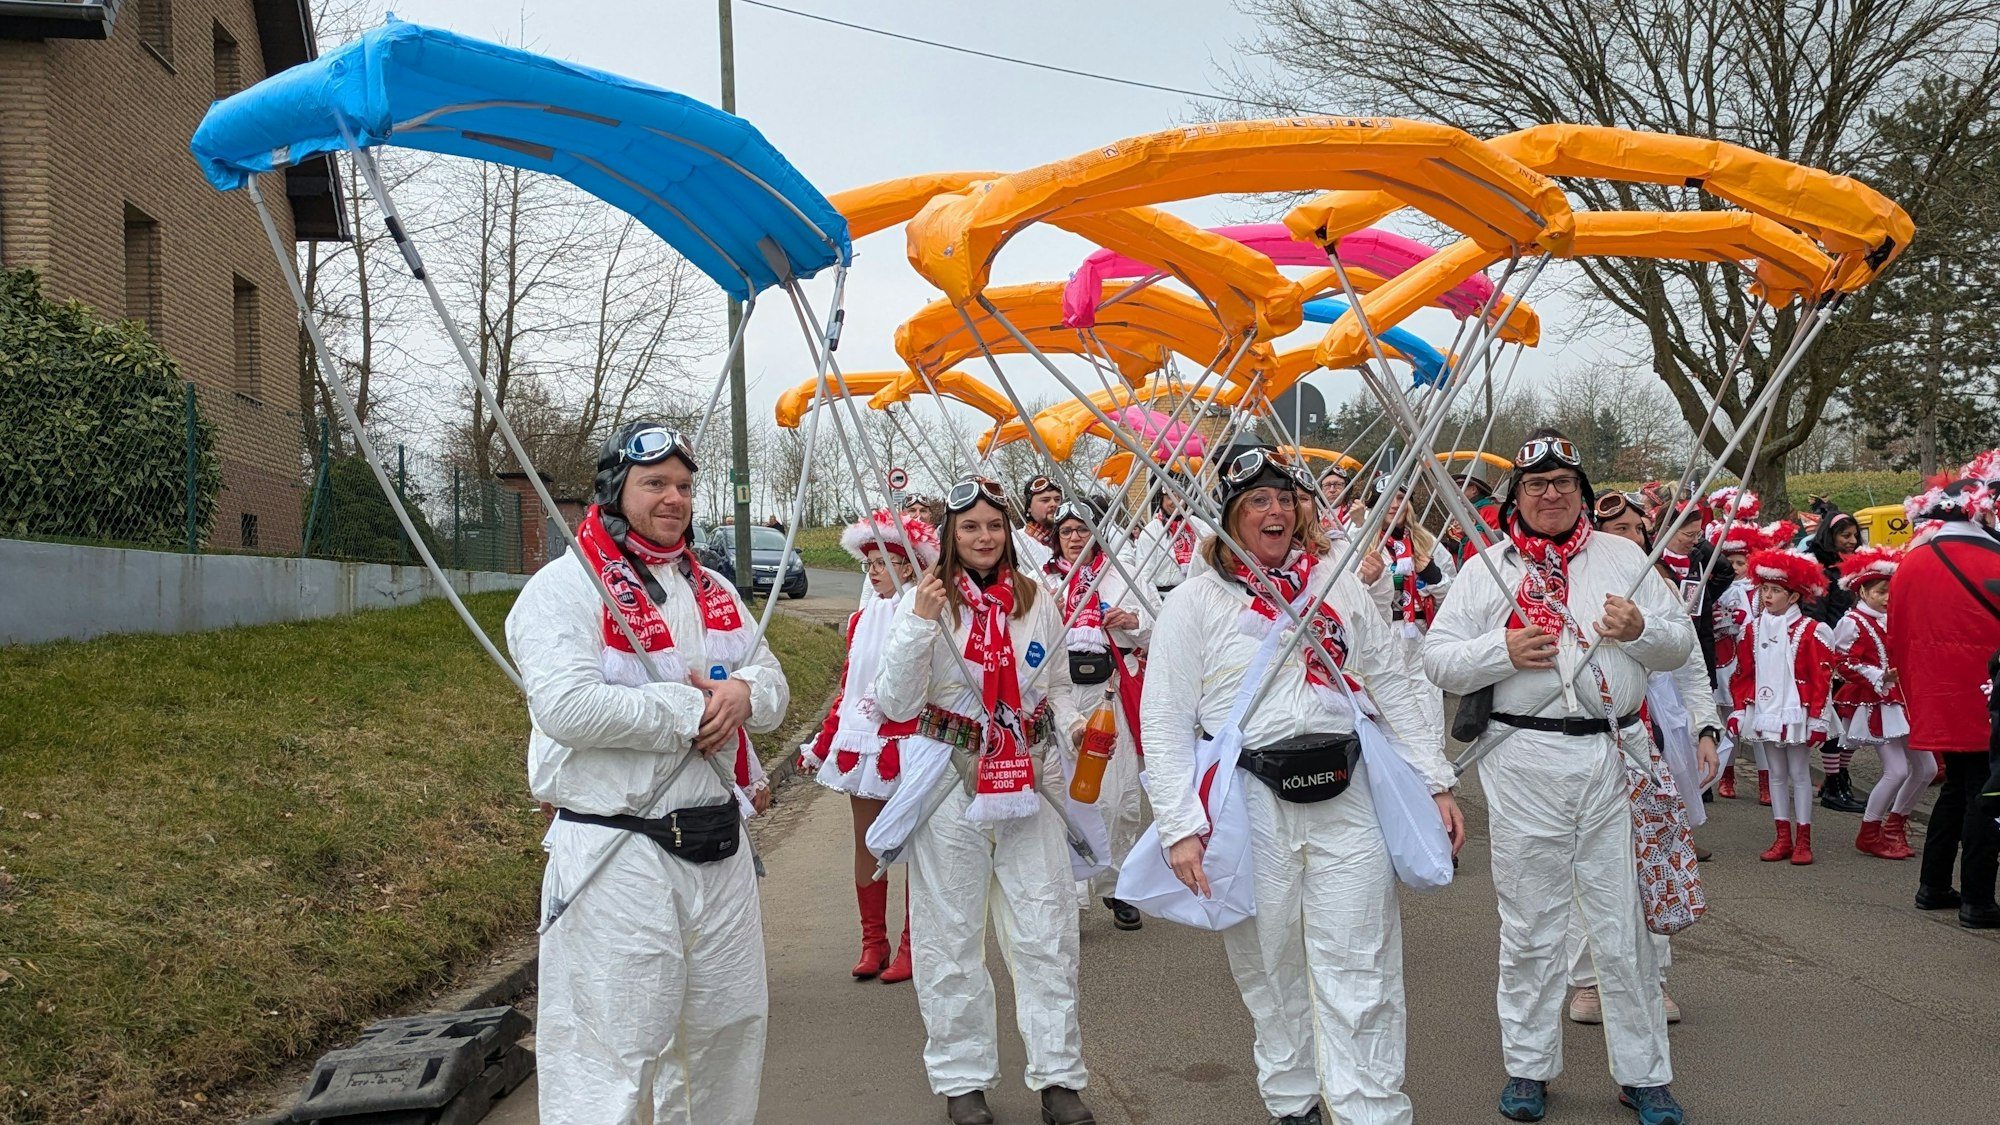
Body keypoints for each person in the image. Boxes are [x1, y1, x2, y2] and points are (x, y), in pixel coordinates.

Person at [1144, 449, 1462, 1125]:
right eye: (1258, 500)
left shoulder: (1337, 584)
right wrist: (1178, 825)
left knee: (1365, 965)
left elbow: (1395, 682)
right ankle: (1293, 1105)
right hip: (1250, 804)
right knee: (1270, 967)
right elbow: (1164, 716)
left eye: (1285, 498)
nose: (1276, 510)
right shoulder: (1195, 601)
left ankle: (1371, 1112)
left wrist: (1434, 780)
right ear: (1230, 515)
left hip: (1348, 794)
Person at [506, 420, 789, 1125]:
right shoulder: (564, 588)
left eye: (685, 485)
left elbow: (771, 679)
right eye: (655, 483)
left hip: (718, 849)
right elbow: (567, 707)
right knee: (608, 1056)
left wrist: (744, 694)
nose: (674, 498)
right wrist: (689, 706)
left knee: (725, 1038)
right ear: (614, 490)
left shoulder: (713, 586)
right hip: (617, 851)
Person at [1423, 430, 1692, 1125]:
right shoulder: (1486, 567)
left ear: (1581, 491)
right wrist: (1500, 648)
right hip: (1524, 758)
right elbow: (1440, 660)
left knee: (1621, 922)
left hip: (1615, 754)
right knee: (1531, 922)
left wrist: (1638, 629)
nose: (1550, 494)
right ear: (1517, 494)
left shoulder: (1626, 556)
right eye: (1536, 483)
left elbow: (1678, 644)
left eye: (1563, 482)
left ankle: (1645, 1073)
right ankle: (1528, 1066)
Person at [872, 476, 1096, 1125]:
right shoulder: (928, 601)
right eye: (969, 526)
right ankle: (963, 1079)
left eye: (994, 525)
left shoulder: (1036, 598)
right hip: (950, 783)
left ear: (1009, 532)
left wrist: (1073, 721)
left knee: (1046, 932)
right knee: (950, 938)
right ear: (950, 534)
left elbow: (1056, 685)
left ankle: (1058, 1078)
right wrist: (919, 623)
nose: (983, 536)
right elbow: (894, 702)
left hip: (1030, 778)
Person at [1564, 491, 1716, 1027]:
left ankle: (1653, 975)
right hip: (1582, 744)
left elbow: (1691, 660)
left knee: (1650, 859)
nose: (1630, 539)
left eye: (1636, 529)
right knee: (1586, 864)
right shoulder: (1573, 582)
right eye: (1618, 530)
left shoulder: (1658, 586)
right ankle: (1588, 979)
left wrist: (1704, 726)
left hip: (1649, 739)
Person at [799, 509, 942, 983]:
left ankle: (912, 944)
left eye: (880, 561)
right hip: (863, 740)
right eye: (868, 564)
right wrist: (822, 742)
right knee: (865, 840)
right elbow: (849, 684)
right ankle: (873, 940)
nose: (872, 571)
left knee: (912, 842)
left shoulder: (923, 611)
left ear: (906, 565)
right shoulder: (861, 618)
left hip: (908, 738)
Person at [1889, 474, 2000, 928]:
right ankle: (1977, 898)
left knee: (1957, 786)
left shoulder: (1911, 561)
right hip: (1983, 692)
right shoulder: (1992, 557)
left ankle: (1933, 884)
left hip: (1935, 692)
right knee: (1984, 793)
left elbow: (1895, 634)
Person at [1043, 499, 1151, 930]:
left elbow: (1153, 626)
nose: (1074, 538)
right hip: (1060, 694)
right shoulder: (1043, 580)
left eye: (1083, 530)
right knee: (1062, 793)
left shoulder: (1119, 573)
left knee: (1120, 795)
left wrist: (1129, 620)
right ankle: (1071, 895)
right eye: (1067, 531)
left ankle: (1116, 885)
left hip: (1111, 693)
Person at [1727, 549, 1837, 865]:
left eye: (1775, 591)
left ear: (1793, 597)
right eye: (1765, 589)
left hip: (1796, 712)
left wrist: (1818, 717)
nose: (1768, 596)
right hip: (1765, 708)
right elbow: (1743, 673)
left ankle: (1804, 839)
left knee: (1799, 773)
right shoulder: (1752, 629)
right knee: (1776, 772)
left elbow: (1822, 677)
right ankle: (1782, 836)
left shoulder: (1812, 630)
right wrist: (1739, 709)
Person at [1833, 547, 1928, 860]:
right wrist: (1879, 675)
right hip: (1876, 702)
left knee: (1926, 768)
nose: (1887, 598)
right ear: (1862, 590)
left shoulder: (1896, 618)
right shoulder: (1853, 622)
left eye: (1891, 591)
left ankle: (1894, 826)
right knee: (1897, 770)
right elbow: (1842, 663)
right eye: (1881, 592)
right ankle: (1869, 831)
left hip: (1904, 701)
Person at [1372, 479, 1454, 733]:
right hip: (1382, 637)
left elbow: (1453, 600)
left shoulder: (1426, 542)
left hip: (1420, 635)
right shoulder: (1364, 544)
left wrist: (1433, 576)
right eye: (1388, 499)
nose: (1395, 505)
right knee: (1389, 714)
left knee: (1427, 711)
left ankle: (1430, 766)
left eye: (1400, 498)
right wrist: (1376, 580)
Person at [1802, 509, 1867, 813]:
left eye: (1855, 535)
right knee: (1835, 722)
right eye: (1845, 535)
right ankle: (1833, 783)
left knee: (1850, 722)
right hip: (1833, 653)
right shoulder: (1822, 571)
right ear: (1830, 536)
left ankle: (1837, 779)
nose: (1852, 541)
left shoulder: (1856, 566)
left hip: (1856, 650)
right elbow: (1816, 616)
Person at [1707, 522, 1770, 804]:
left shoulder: (1758, 593)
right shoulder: (1714, 590)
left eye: (1740, 562)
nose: (1735, 568)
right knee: (1726, 724)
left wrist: (1742, 623)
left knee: (1755, 725)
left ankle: (1766, 783)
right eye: (1729, 562)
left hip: (1750, 665)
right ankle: (1727, 776)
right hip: (1722, 663)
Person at [1125, 472, 1202, 593]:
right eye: (1169, 498)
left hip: (1194, 593)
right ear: (1161, 500)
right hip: (1164, 596)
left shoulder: (1197, 525)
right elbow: (1144, 575)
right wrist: (1156, 607)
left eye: (1179, 497)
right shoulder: (1151, 531)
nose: (1174, 502)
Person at [1016, 474, 1065, 571]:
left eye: (1057, 499)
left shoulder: (1073, 538)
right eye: (1045, 500)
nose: (1054, 504)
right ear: (1029, 507)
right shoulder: (1015, 541)